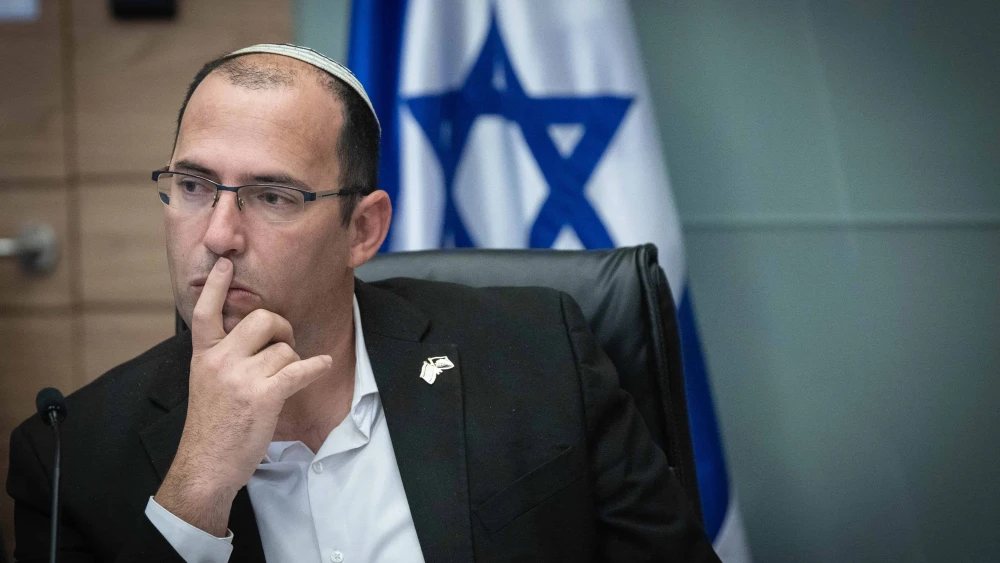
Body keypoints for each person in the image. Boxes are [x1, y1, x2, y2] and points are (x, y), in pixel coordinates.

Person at [6, 44, 719, 562]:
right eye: (193, 186)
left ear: (363, 228)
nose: (218, 234)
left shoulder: (538, 351)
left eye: (273, 196)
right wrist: (196, 490)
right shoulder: (69, 454)